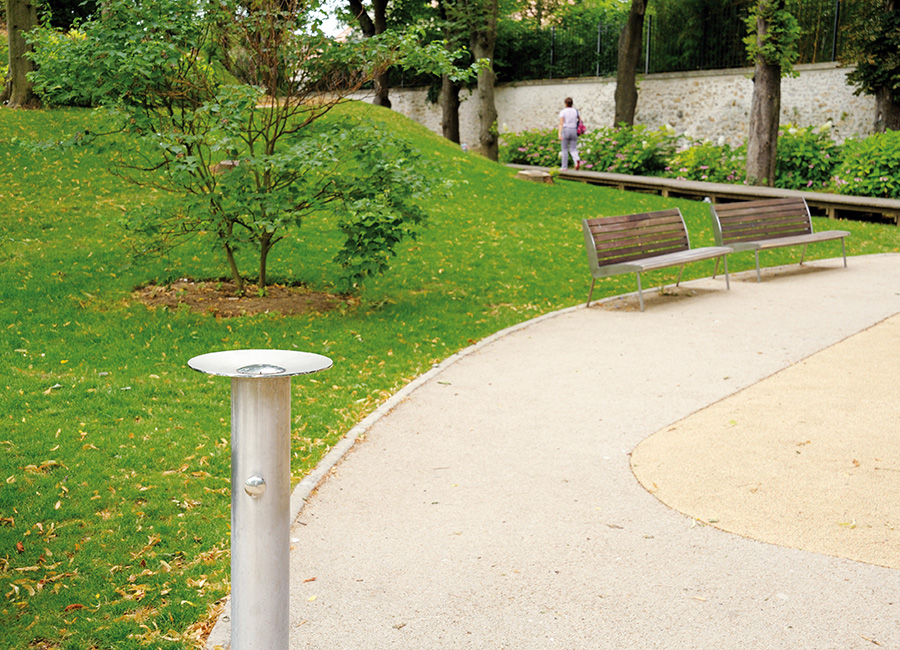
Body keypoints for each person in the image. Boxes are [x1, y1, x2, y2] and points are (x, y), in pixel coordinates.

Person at [558, 97, 581, 171]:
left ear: (565, 104)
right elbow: (580, 120)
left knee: (564, 149)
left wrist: (559, 133)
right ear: (572, 103)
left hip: (566, 130)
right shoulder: (576, 111)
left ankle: (564, 167)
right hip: (574, 130)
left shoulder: (563, 112)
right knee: (573, 149)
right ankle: (576, 160)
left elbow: (561, 123)